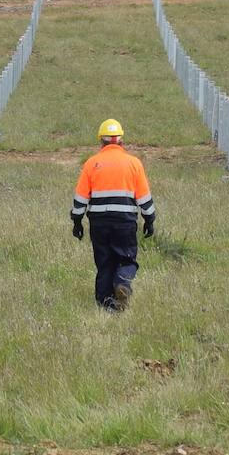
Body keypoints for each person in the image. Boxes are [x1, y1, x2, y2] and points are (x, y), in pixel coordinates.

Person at [70, 118, 156, 311]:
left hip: (99, 224)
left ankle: (106, 305)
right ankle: (123, 283)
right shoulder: (134, 163)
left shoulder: (92, 163)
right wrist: (149, 220)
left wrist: (77, 222)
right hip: (125, 222)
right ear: (121, 140)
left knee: (104, 262)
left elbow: (80, 199)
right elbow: (144, 198)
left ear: (101, 141)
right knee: (126, 259)